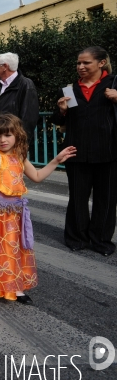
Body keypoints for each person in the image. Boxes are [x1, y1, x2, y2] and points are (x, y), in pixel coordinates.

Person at [0, 114, 76, 308]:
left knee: (12, 248)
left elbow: (37, 176)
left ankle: (13, 284)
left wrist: (56, 160)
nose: (3, 140)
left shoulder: (20, 157)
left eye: (7, 135)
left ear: (17, 135)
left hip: (14, 214)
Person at [51, 46, 117, 256]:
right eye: (78, 63)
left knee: (105, 199)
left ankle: (101, 240)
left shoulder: (114, 84)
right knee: (77, 197)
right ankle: (76, 237)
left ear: (101, 63)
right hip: (76, 151)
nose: (81, 67)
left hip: (108, 151)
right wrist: (61, 111)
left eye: (86, 63)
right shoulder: (69, 90)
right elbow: (57, 120)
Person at [0, 52, 39, 144]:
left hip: (13, 144)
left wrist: (20, 143)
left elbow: (29, 119)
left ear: (4, 67)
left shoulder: (26, 85)